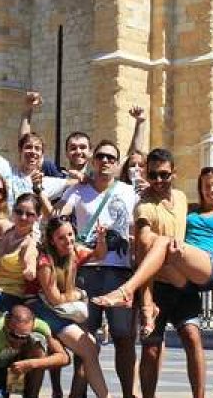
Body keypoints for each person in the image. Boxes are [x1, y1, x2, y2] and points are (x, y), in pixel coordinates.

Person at [94, 149, 213, 398]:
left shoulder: (182, 198)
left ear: (173, 173)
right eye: (153, 175)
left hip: (183, 284)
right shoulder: (144, 206)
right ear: (146, 173)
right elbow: (143, 242)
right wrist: (146, 303)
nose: (158, 180)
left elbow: (208, 212)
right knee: (151, 350)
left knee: (192, 338)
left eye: (164, 174)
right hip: (157, 288)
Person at [57, 140, 138, 398]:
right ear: (93, 160)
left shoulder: (129, 191)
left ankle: (128, 394)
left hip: (119, 273)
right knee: (86, 340)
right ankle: (77, 394)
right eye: (101, 156)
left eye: (111, 158)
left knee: (124, 339)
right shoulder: (79, 190)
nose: (105, 161)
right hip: (87, 272)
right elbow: (59, 215)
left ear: (117, 163)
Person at [33, 216, 113, 398]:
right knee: (90, 348)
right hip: (41, 308)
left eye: (70, 235)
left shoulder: (74, 252)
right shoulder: (45, 262)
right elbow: (54, 299)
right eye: (61, 237)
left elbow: (100, 254)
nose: (68, 240)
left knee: (91, 348)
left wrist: (101, 239)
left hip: (62, 310)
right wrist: (79, 295)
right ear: (52, 240)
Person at [0, 86, 67, 210]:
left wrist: (83, 176)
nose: (33, 151)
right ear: (20, 150)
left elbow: (84, 183)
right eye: (28, 147)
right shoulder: (5, 170)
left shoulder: (47, 183)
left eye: (37, 149)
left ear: (42, 155)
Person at [0, 305, 70, 398]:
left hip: (15, 367)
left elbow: (64, 358)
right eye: (14, 336)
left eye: (23, 338)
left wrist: (30, 364)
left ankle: (29, 395)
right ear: (6, 322)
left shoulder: (40, 326)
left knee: (38, 342)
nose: (18, 342)